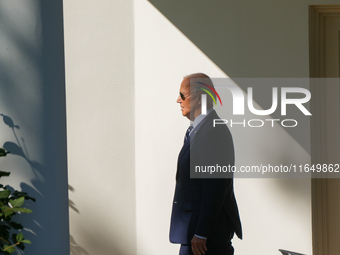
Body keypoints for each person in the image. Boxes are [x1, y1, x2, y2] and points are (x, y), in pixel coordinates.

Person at [169, 73, 242, 255]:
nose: (178, 100)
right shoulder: (199, 129)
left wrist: (202, 233)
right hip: (193, 233)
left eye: (182, 95)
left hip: (204, 240)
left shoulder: (212, 132)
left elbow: (215, 186)